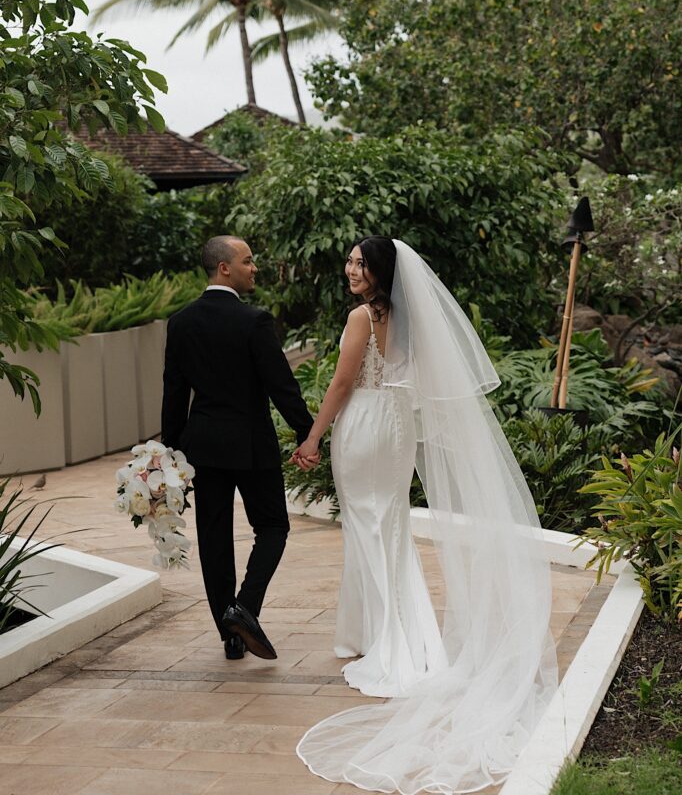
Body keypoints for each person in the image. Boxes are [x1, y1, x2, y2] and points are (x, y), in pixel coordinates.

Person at [293, 237, 558, 794]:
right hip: (396, 426)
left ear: (380, 271)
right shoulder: (408, 320)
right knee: (385, 528)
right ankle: (377, 632)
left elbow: (342, 383)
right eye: (349, 261)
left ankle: (391, 643)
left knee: (367, 531)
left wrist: (314, 437)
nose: (350, 270)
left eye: (359, 263)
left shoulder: (362, 317)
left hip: (364, 423)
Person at [161, 235, 315, 661]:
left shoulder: (181, 322)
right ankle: (243, 608)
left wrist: (170, 454)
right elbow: (281, 387)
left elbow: (173, 393)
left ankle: (230, 635)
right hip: (251, 445)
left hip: (202, 447)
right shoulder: (255, 321)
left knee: (213, 537)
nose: (255, 268)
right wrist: (308, 432)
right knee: (272, 527)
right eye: (248, 261)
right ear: (224, 268)